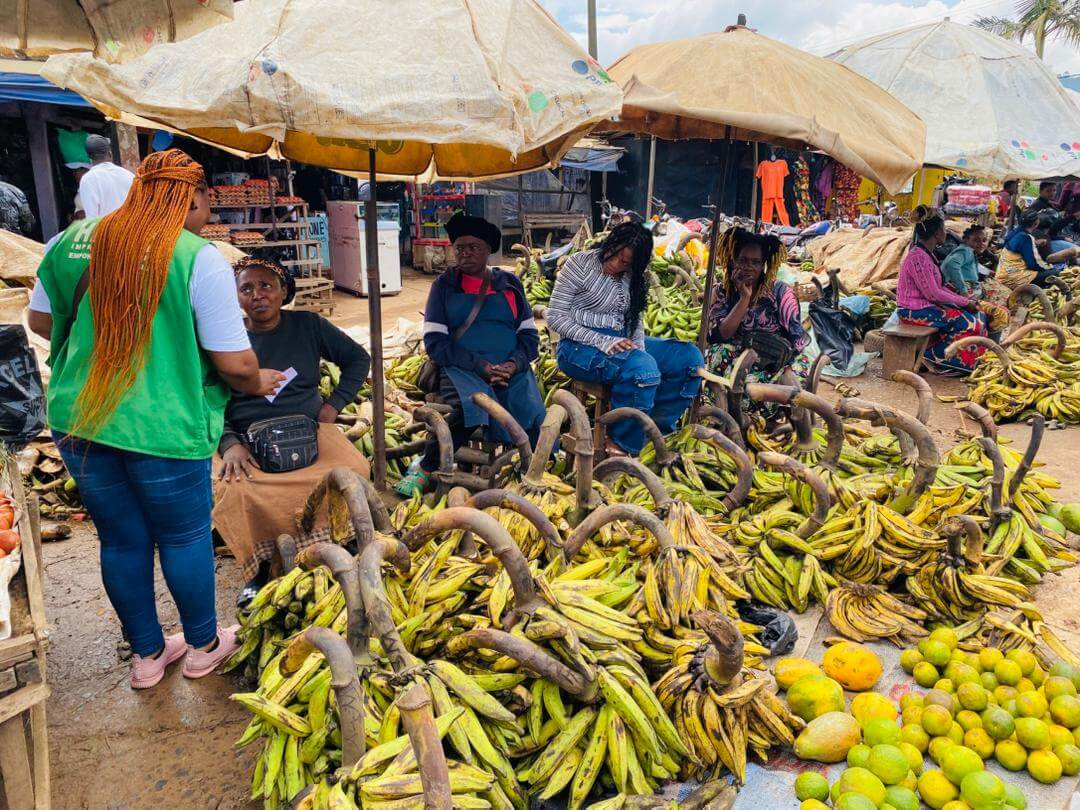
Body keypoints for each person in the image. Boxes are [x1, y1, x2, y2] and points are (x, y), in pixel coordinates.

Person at [27, 149, 284, 690]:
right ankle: (202, 647)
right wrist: (258, 381)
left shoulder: (69, 242)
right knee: (185, 536)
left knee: (121, 541)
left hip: (81, 420)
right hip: (160, 426)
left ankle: (147, 657)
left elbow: (40, 320)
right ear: (192, 197)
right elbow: (236, 364)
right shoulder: (196, 256)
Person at [213, 257, 371, 606]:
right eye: (247, 288)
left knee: (353, 469)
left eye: (267, 286)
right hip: (245, 437)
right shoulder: (225, 337)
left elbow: (358, 359)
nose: (258, 295)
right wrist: (229, 443)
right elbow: (206, 396)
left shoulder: (309, 325)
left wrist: (333, 406)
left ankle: (340, 540)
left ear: (284, 291)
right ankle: (258, 569)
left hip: (310, 430)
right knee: (236, 489)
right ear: (237, 298)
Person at [396, 213, 545, 496]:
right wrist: (479, 366)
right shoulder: (444, 286)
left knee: (534, 412)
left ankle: (534, 470)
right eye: (460, 248)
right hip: (461, 367)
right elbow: (435, 342)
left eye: (473, 247)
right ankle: (427, 465)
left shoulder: (510, 284)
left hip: (510, 368)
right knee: (471, 409)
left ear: (488, 250)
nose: (465, 253)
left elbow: (529, 336)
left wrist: (514, 364)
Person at [548, 222, 703, 456]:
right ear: (610, 243)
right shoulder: (579, 264)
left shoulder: (632, 277)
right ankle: (621, 444)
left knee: (688, 359)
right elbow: (555, 318)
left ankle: (654, 430)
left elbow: (635, 320)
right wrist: (602, 341)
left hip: (622, 343)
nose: (616, 263)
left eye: (626, 262)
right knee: (643, 371)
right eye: (616, 255)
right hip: (577, 347)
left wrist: (640, 350)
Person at [706, 227, 810, 387]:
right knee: (716, 353)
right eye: (743, 260)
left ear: (763, 266)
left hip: (778, 361)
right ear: (733, 261)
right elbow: (718, 337)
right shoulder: (721, 292)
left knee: (793, 377)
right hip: (739, 361)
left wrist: (784, 366)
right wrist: (744, 298)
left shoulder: (781, 293)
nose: (748, 267)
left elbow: (797, 340)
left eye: (755, 262)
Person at [896, 214, 989, 374]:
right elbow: (933, 293)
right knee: (969, 323)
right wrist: (964, 302)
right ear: (937, 233)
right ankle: (932, 357)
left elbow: (940, 287)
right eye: (944, 229)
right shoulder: (918, 257)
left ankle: (965, 360)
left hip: (926, 308)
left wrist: (963, 300)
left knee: (976, 317)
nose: (946, 233)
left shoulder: (927, 254)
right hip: (913, 311)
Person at [996, 210, 1070, 288]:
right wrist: (1050, 267)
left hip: (1001, 274)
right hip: (1014, 278)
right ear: (1036, 224)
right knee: (1058, 273)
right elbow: (1034, 264)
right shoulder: (1027, 238)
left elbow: (1012, 245)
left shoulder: (1016, 231)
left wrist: (1034, 243)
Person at [78, 134, 135, 219]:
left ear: (90, 158)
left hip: (107, 231)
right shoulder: (129, 175)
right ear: (110, 153)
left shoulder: (88, 179)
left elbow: (91, 219)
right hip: (131, 230)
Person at [940, 225, 989, 296]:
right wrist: (963, 291)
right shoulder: (965, 251)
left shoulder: (970, 252)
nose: (981, 244)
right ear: (966, 240)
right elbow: (951, 264)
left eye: (984, 240)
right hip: (956, 292)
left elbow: (969, 266)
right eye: (976, 240)